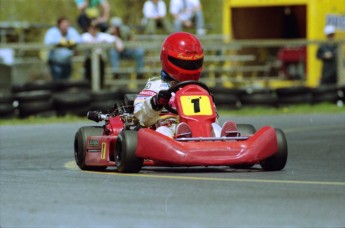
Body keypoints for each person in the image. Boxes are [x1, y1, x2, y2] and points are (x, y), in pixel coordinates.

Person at [133, 32, 221, 138]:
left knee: (215, 128)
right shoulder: (156, 84)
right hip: (167, 128)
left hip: (198, 129)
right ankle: (181, 136)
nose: (189, 67)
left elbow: (213, 117)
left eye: (193, 64)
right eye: (184, 63)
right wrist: (155, 102)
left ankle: (224, 140)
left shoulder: (199, 89)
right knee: (163, 131)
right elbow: (140, 116)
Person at [81, 20, 123, 88]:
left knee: (101, 78)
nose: (93, 29)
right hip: (89, 60)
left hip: (100, 59)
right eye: (91, 27)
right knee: (88, 79)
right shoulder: (85, 35)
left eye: (95, 27)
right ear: (88, 28)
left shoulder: (101, 35)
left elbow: (115, 39)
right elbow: (87, 43)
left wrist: (119, 44)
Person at [44, 16, 81, 81]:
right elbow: (49, 42)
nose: (65, 27)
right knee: (57, 83)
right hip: (55, 62)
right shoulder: (52, 32)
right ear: (59, 25)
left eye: (67, 25)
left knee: (66, 83)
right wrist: (62, 44)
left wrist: (68, 43)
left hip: (67, 62)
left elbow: (78, 40)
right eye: (64, 24)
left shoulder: (71, 31)